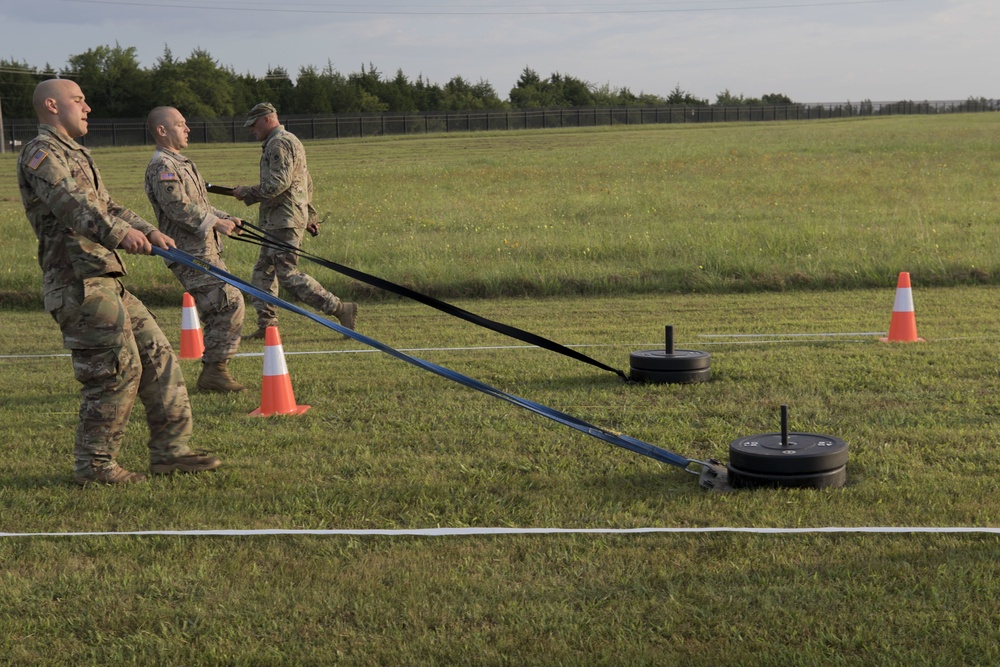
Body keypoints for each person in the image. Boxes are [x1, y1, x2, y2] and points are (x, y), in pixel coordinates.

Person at [16, 79, 220, 485]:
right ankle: (94, 467)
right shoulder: (41, 154)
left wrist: (149, 230)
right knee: (114, 371)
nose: (88, 107)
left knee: (158, 356)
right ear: (52, 106)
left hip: (104, 279)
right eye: (79, 100)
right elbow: (72, 205)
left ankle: (170, 452)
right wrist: (120, 235)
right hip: (77, 282)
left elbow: (106, 205)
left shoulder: (75, 153)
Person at [232, 102, 357, 339]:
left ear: (267, 120)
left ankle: (340, 309)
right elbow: (305, 181)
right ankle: (267, 326)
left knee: (287, 274)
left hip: (284, 219)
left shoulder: (278, 143)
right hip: (282, 218)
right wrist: (309, 214)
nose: (251, 130)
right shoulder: (291, 140)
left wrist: (247, 192)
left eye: (254, 124)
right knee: (262, 272)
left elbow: (279, 184)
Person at [144, 106, 247, 393]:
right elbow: (177, 207)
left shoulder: (181, 162)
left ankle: (215, 372)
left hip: (204, 250)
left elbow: (199, 204)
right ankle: (215, 371)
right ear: (162, 130)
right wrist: (214, 222)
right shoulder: (162, 165)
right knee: (230, 302)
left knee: (221, 306)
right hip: (187, 252)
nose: (187, 128)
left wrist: (225, 218)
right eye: (180, 124)